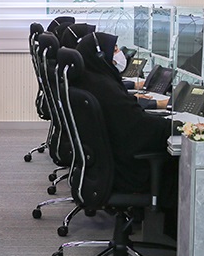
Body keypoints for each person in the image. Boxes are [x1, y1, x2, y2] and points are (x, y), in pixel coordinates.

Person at [70, 32, 174, 197]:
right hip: (124, 172)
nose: (119, 54)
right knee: (176, 158)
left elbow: (126, 114)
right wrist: (175, 126)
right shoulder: (105, 87)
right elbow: (139, 126)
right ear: (100, 55)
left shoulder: (90, 81)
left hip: (102, 166)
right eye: (114, 50)